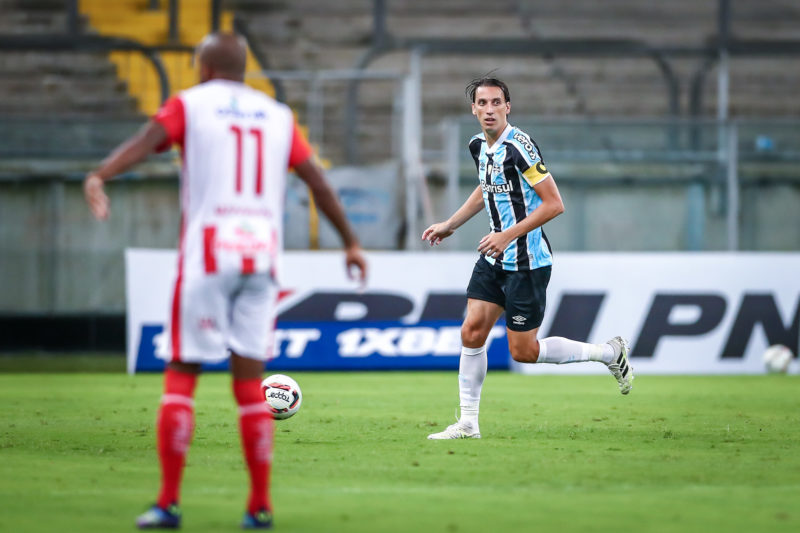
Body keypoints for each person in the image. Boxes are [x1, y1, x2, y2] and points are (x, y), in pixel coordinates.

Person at [84, 32, 367, 529]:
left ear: (204, 66)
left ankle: (168, 503)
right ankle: (259, 507)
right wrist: (350, 242)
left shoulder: (191, 105)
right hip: (261, 257)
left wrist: (101, 175)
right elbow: (317, 182)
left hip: (210, 251)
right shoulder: (279, 116)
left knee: (183, 373)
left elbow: (148, 141)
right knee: (248, 383)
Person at [422, 77, 632, 440]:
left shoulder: (520, 147)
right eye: (482, 103)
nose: (489, 110)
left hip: (527, 262)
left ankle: (607, 352)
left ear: (508, 107)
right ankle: (468, 423)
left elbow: (554, 203)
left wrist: (507, 235)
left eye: (496, 103)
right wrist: (451, 224)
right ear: (473, 109)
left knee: (524, 352)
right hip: (494, 258)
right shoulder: (477, 146)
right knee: (472, 332)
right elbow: (485, 186)